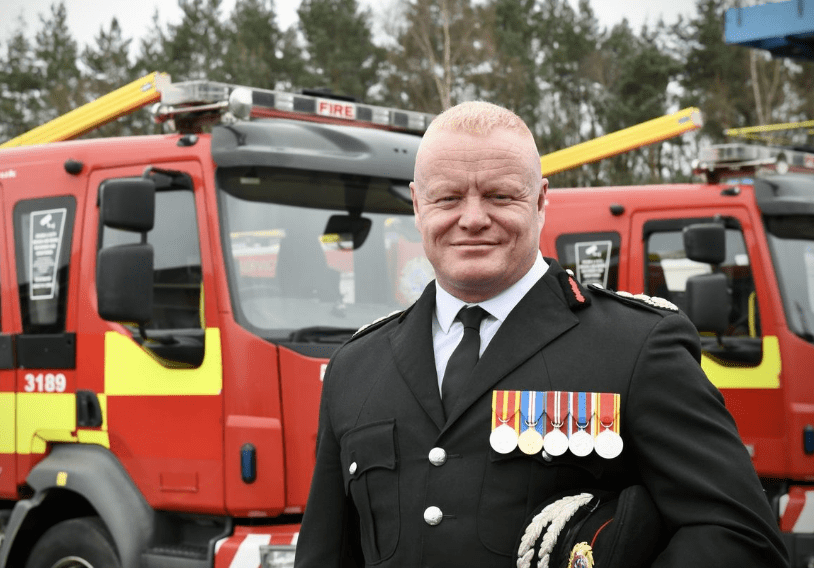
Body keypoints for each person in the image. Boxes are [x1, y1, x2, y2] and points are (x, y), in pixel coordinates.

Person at [294, 101, 788, 568]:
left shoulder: (637, 347)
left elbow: (740, 539)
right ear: (418, 206)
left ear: (541, 201)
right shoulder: (356, 368)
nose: (472, 218)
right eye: (448, 198)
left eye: (499, 195)